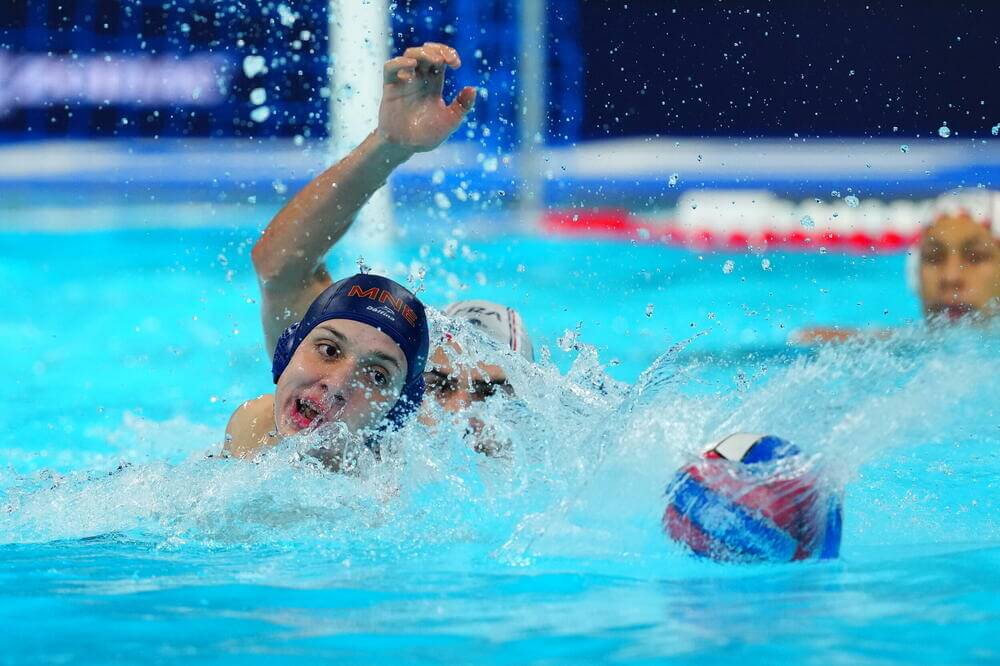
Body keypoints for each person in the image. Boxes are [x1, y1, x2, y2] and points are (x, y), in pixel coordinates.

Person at [226, 42, 533, 459]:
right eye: (439, 386)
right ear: (404, 401)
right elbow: (282, 267)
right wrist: (389, 146)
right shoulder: (336, 426)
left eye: (489, 394)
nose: (461, 413)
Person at [794, 188, 1000, 343]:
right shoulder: (893, 349)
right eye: (933, 257)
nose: (950, 277)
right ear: (914, 274)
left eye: (976, 257)